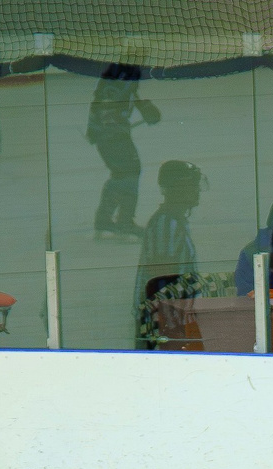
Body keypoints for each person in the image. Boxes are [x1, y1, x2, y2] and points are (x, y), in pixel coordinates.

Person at [135, 160, 206, 351]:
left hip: (175, 321)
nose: (197, 190)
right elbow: (161, 281)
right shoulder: (165, 224)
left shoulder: (175, 221)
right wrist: (171, 329)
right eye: (192, 184)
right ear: (175, 188)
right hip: (166, 324)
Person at [85, 59, 160, 238]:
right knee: (130, 172)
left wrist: (144, 107)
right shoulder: (121, 77)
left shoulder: (122, 76)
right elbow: (106, 104)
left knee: (121, 174)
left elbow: (125, 97)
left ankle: (104, 219)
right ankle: (124, 222)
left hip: (110, 135)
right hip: (113, 137)